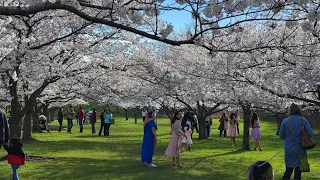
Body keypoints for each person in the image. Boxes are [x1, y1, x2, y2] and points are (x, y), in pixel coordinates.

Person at [279, 103, 314, 180]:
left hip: (289, 149)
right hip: (300, 149)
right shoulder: (303, 120)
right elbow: (311, 134)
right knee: (298, 173)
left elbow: (281, 135)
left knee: (288, 170)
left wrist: (288, 137)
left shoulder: (285, 121)